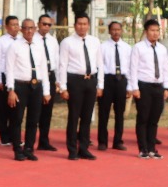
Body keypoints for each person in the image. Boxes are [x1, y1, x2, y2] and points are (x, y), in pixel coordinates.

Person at [58, 14, 103, 160]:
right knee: (74, 116)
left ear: (88, 25)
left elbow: (100, 64)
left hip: (91, 81)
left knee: (87, 117)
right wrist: (63, 87)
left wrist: (100, 85)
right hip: (74, 81)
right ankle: (72, 149)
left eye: (85, 24)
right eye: (79, 24)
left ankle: (83, 148)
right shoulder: (67, 42)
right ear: (74, 25)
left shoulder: (95, 41)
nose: (82, 26)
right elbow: (62, 65)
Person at [6, 18, 51, 161]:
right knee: (17, 118)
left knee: (33, 119)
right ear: (21, 29)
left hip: (36, 86)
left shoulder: (39, 46)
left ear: (35, 29)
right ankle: (17, 149)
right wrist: (11, 90)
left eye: (31, 28)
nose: (29, 31)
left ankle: (29, 148)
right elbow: (9, 69)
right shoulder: (14, 46)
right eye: (26, 28)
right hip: (20, 85)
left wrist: (46, 91)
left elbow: (44, 69)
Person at [128, 18, 168, 159]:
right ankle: (143, 149)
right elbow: (132, 69)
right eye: (152, 30)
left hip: (158, 86)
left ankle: (152, 148)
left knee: (154, 119)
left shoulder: (162, 49)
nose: (155, 33)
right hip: (143, 86)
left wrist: (166, 87)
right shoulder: (138, 47)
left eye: (157, 30)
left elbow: (165, 69)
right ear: (146, 32)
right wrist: (134, 88)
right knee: (143, 118)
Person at [98, 21, 131, 151]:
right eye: (113, 29)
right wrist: (100, 85)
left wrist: (129, 86)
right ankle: (102, 141)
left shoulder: (127, 48)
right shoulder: (103, 47)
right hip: (108, 80)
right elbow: (100, 66)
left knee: (119, 113)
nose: (116, 32)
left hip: (121, 80)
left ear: (122, 31)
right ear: (109, 31)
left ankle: (118, 140)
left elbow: (130, 67)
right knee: (104, 112)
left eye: (118, 29)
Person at [0, 16, 20, 147]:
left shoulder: (22, 41)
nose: (15, 27)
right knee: (3, 109)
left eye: (17, 24)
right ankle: (4, 137)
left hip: (17, 77)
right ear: (7, 26)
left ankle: (15, 136)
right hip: (3, 76)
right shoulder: (0, 41)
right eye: (12, 25)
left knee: (16, 109)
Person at [35, 15, 61, 152]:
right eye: (44, 24)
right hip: (36, 78)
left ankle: (44, 141)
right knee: (35, 110)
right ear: (38, 24)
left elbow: (56, 60)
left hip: (50, 77)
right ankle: (29, 141)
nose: (46, 27)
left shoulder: (52, 41)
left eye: (49, 25)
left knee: (47, 111)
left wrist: (58, 80)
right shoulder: (32, 39)